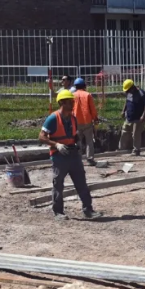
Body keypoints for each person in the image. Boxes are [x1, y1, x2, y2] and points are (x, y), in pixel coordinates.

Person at [39, 89, 102, 221]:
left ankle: (88, 210)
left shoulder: (73, 118)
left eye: (72, 101)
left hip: (73, 154)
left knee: (81, 183)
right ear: (62, 102)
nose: (73, 103)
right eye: (70, 101)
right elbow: (41, 137)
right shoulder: (53, 118)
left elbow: (75, 134)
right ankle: (58, 212)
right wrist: (56, 145)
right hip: (59, 156)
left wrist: (78, 142)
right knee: (58, 184)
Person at [73, 77, 98, 166]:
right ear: (84, 85)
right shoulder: (88, 95)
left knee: (77, 141)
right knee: (89, 141)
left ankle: (77, 160)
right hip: (87, 120)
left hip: (76, 122)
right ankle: (90, 159)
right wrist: (95, 118)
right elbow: (92, 109)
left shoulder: (73, 95)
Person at [120, 79, 145, 156]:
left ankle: (136, 150)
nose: (126, 92)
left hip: (138, 118)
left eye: (128, 90)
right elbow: (126, 102)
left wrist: (143, 116)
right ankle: (121, 149)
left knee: (136, 134)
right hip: (129, 117)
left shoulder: (141, 93)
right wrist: (123, 111)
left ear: (132, 88)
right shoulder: (129, 93)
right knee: (124, 131)